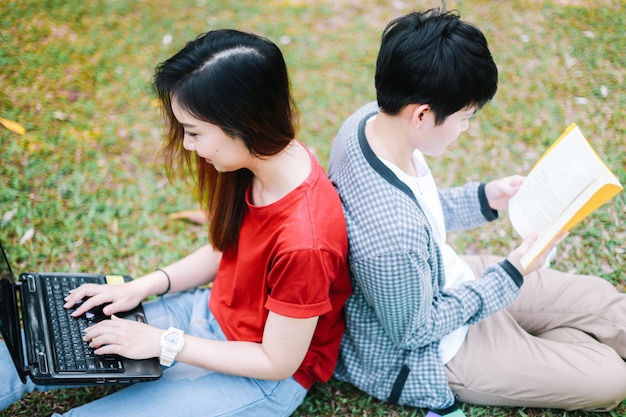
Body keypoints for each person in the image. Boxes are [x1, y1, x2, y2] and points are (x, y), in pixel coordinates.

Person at [0, 29, 351, 416]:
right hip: (204, 314)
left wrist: (165, 343)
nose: (186, 145)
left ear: (243, 122)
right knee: (36, 345)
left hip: (260, 376)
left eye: (195, 132)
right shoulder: (264, 160)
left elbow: (277, 362)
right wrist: (141, 287)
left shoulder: (307, 241)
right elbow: (225, 248)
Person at [328, 8, 626, 417]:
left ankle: (550, 340)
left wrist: (487, 197)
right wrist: (514, 273)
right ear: (421, 114)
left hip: (451, 279)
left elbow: (420, 211)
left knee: (604, 302)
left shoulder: (369, 121)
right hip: (438, 348)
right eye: (465, 117)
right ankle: (553, 344)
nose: (466, 128)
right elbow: (416, 330)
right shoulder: (390, 237)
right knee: (609, 379)